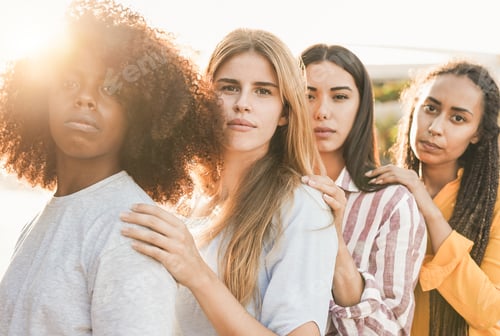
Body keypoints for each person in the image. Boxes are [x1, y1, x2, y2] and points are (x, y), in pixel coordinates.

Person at [0, 0, 223, 335]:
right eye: (70, 83)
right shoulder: (41, 219)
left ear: (139, 114)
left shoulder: (131, 232)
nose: (85, 99)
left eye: (109, 89)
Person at [120, 28, 338, 336]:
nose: (242, 104)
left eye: (263, 91)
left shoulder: (300, 206)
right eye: (229, 87)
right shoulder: (181, 199)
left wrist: (198, 274)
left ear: (284, 112)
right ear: (205, 97)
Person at [299, 44, 427, 335]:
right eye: (308, 95)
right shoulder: (267, 188)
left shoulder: (392, 203)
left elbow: (389, 331)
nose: (322, 112)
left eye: (340, 96)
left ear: (361, 106)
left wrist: (333, 241)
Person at [367, 60, 500, 335]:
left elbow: (491, 311)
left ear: (477, 134)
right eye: (431, 108)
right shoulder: (385, 191)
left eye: (458, 118)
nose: (436, 127)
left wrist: (428, 208)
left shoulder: (494, 203)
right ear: (415, 108)